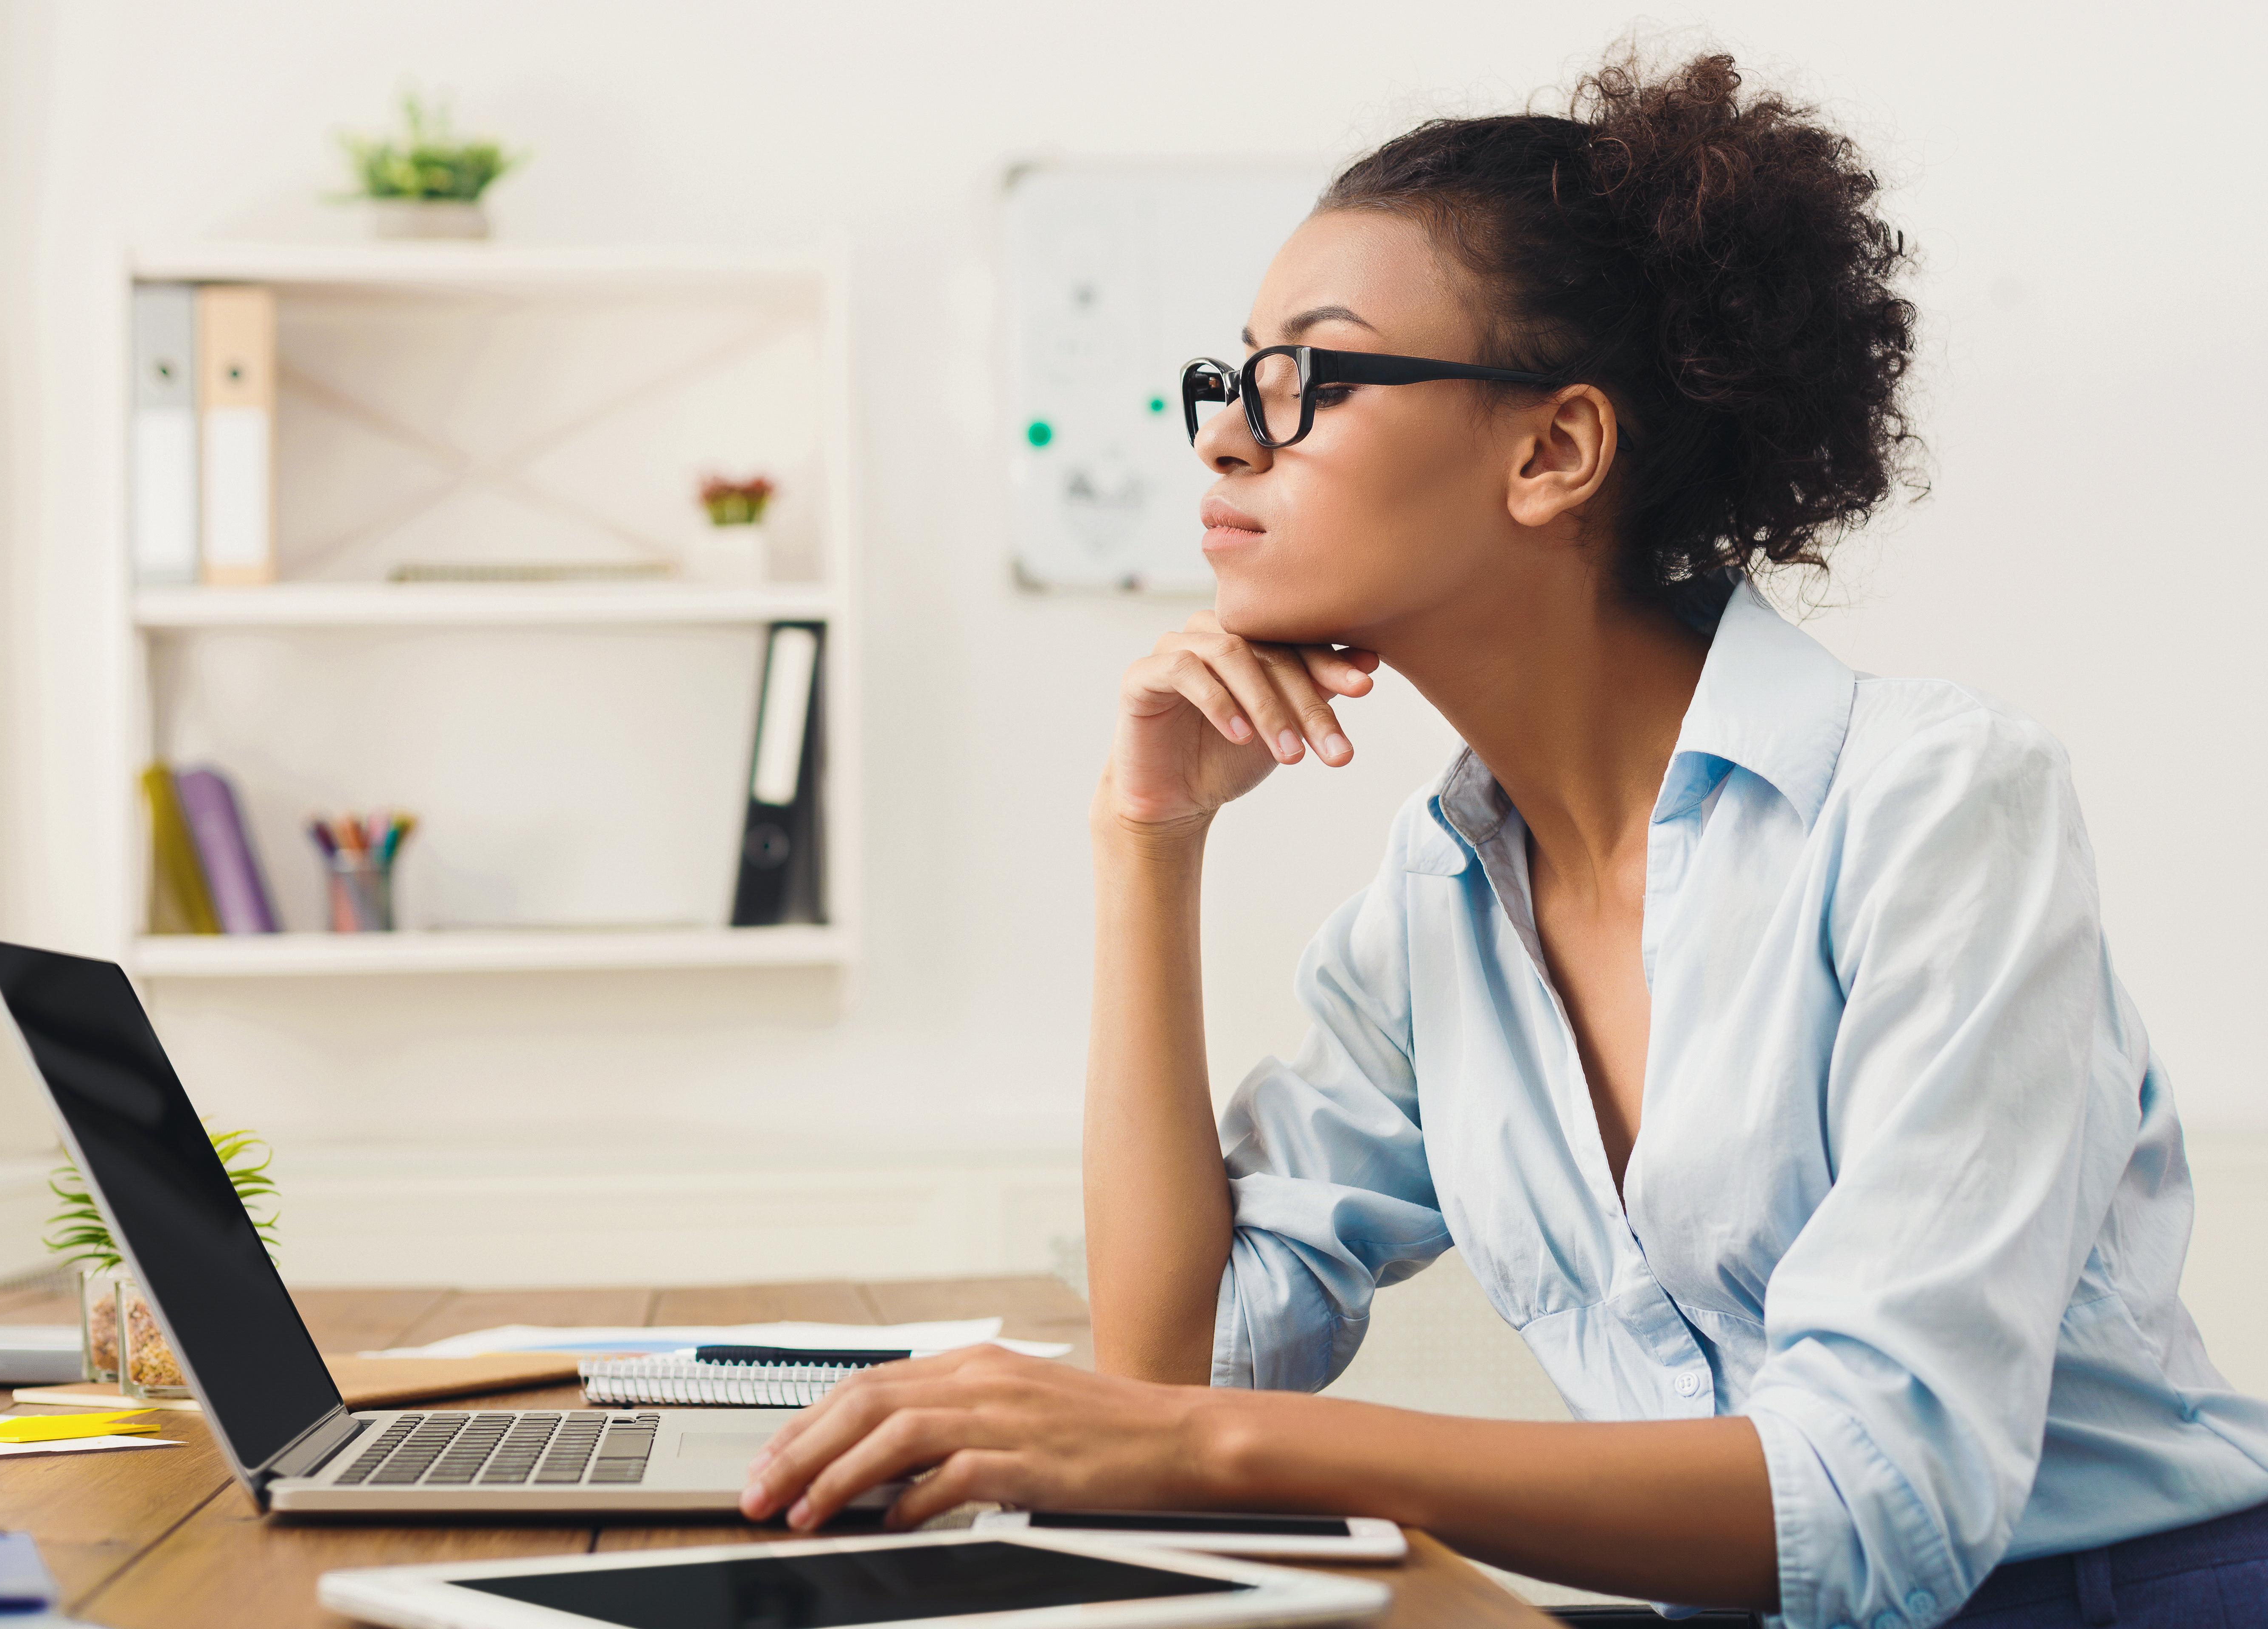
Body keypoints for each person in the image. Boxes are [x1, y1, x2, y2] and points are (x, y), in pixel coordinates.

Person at [739, 48, 2268, 1627]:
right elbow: (1172, 1361)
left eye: (1305, 383)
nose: (1222, 443)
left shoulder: (1936, 808)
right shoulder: (1439, 902)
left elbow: (1878, 1505)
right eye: (1232, 380)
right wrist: (1150, 842)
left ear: (1553, 453)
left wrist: (1228, 1446)